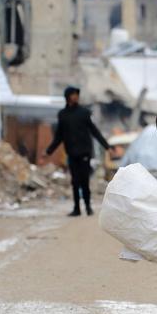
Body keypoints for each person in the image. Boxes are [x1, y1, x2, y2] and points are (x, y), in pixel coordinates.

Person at [46, 86, 112, 217]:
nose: (76, 96)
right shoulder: (63, 115)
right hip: (71, 153)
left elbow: (94, 131)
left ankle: (88, 207)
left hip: (84, 153)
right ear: (67, 97)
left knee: (84, 181)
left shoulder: (84, 113)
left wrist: (106, 146)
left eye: (77, 94)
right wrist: (48, 152)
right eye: (73, 94)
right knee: (74, 182)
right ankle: (76, 208)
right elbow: (59, 136)